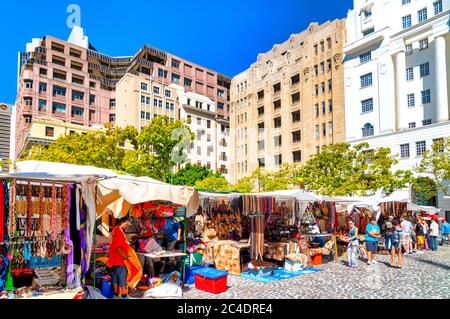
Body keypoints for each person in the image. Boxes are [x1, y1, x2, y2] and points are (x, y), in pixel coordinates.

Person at [109, 216, 132, 299]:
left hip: (114, 258)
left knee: (115, 276)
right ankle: (124, 295)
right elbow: (117, 247)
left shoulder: (115, 229)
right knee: (122, 277)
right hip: (119, 259)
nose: (127, 226)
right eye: (127, 224)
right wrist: (125, 256)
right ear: (123, 222)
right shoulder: (119, 230)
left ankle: (115, 294)